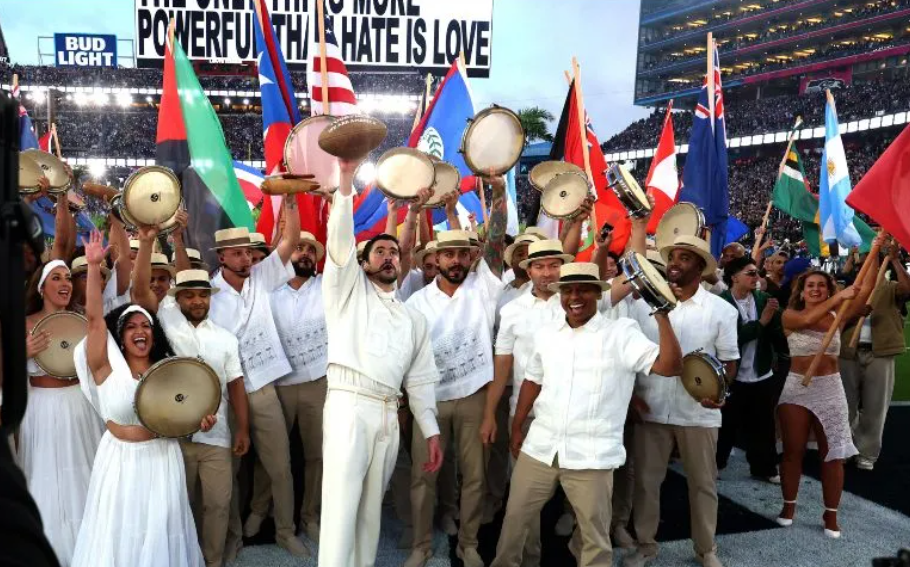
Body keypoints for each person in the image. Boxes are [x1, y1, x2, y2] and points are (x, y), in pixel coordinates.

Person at [491, 262, 683, 567]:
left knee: (594, 540)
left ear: (598, 293)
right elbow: (532, 380)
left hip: (591, 454)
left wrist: (662, 315)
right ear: (560, 295)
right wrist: (516, 427)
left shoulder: (621, 333)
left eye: (583, 289)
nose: (574, 296)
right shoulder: (548, 334)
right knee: (513, 523)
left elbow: (670, 366)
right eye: (568, 290)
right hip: (540, 446)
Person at [320, 158, 442, 567]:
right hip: (348, 407)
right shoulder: (346, 293)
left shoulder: (413, 318)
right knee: (341, 510)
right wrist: (345, 180)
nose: (389, 257)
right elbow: (338, 244)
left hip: (390, 414)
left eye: (393, 251)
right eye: (379, 251)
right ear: (364, 262)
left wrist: (431, 431)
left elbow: (422, 380)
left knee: (371, 511)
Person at [72, 229, 212, 567]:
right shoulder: (106, 367)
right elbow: (93, 322)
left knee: (160, 531)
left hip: (162, 460)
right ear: (121, 337)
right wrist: (93, 267)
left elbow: (190, 411)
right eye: (131, 326)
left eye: (146, 326)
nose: (140, 331)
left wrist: (202, 420)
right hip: (119, 463)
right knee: (122, 534)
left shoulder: (166, 372)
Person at [131, 227, 252, 567]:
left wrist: (242, 429)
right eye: (190, 295)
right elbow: (141, 289)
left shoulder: (226, 339)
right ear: (177, 298)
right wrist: (152, 239)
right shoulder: (164, 323)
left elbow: (236, 386)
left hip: (217, 436)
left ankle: (212, 562)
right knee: (179, 504)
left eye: (204, 294)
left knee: (218, 505)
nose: (198, 301)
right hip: (172, 436)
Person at [404, 170, 508, 567]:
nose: (456, 260)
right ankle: (421, 546)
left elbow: (496, 240)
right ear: (436, 259)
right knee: (424, 476)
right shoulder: (416, 304)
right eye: (448, 254)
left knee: (475, 475)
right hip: (429, 402)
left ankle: (469, 543)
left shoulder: (483, 287)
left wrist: (498, 193)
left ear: (471, 258)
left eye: (464, 254)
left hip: (474, 398)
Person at [623, 235, 739, 567]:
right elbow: (629, 354)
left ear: (701, 268)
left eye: (685, 258)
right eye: (673, 256)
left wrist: (721, 392)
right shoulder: (642, 304)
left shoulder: (721, 310)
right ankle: (645, 545)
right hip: (652, 406)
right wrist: (632, 396)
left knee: (703, 485)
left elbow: (729, 362)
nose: (674, 263)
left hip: (698, 412)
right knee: (646, 482)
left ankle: (705, 549)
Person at [207, 197, 306, 558]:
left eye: (248, 253)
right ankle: (232, 538)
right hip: (224, 395)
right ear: (221, 257)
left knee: (280, 466)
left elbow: (290, 240)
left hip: (263, 388)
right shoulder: (208, 293)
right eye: (236, 254)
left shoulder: (262, 277)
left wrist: (290, 198)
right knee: (230, 474)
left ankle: (285, 531)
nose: (245, 259)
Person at [481, 239, 572, 565]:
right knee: (524, 497)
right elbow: (501, 366)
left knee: (579, 489)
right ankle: (529, 558)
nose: (547, 272)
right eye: (539, 266)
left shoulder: (579, 301)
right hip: (526, 413)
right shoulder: (512, 311)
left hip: (573, 413)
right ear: (528, 270)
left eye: (553, 265)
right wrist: (490, 414)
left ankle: (577, 543)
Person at [777, 264, 878, 537]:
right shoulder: (790, 315)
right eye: (810, 285)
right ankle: (788, 506)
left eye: (822, 285)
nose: (816, 289)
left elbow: (866, 288)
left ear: (828, 289)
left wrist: (876, 252)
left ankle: (831, 513)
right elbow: (808, 321)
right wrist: (839, 297)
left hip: (830, 388)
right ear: (802, 290)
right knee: (792, 451)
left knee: (833, 453)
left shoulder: (839, 315)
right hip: (797, 388)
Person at [20, 260, 105, 566]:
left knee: (84, 473)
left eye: (68, 277)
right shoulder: (23, 324)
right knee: (46, 478)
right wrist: (22, 354)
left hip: (79, 406)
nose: (65, 283)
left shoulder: (83, 320)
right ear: (42, 287)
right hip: (41, 409)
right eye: (56, 278)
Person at [247, 231, 329, 544]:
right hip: (277, 383)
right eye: (298, 248)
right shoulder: (266, 289)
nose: (305, 254)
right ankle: (259, 509)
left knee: (315, 456)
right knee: (270, 455)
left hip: (317, 383)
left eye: (311, 250)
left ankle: (310, 515)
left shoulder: (326, 288)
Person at [717, 257, 788, 482]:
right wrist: (762, 322)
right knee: (725, 424)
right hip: (731, 375)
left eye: (756, 272)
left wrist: (776, 321)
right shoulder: (721, 303)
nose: (755, 277)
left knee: (763, 424)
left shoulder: (763, 299)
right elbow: (731, 339)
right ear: (734, 276)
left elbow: (778, 334)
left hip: (760, 372)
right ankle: (716, 463)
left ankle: (764, 467)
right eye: (750, 273)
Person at [839, 247, 910, 470]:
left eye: (874, 263)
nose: (870, 267)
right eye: (866, 264)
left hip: (880, 352)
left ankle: (867, 453)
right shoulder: (848, 289)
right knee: (845, 405)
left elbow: (908, 288)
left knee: (875, 406)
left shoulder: (889, 288)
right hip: (848, 351)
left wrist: (897, 262)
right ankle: (845, 447)